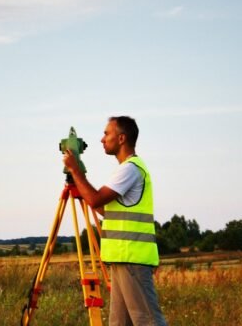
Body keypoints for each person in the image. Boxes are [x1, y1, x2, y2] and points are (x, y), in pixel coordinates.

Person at [62, 116, 167, 326]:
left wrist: (75, 170)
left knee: (148, 321)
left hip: (132, 258)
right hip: (122, 258)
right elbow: (104, 209)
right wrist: (80, 181)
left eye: (106, 134)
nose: (102, 139)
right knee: (119, 323)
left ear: (121, 138)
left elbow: (95, 198)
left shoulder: (130, 169)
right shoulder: (125, 170)